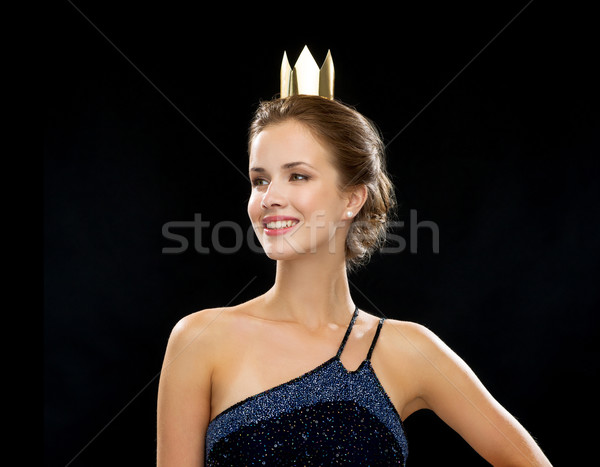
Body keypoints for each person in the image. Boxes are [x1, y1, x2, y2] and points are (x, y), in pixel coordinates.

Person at [156, 48, 551, 466]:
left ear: (352, 198)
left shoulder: (408, 350)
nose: (269, 198)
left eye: (298, 176)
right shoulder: (200, 340)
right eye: (259, 180)